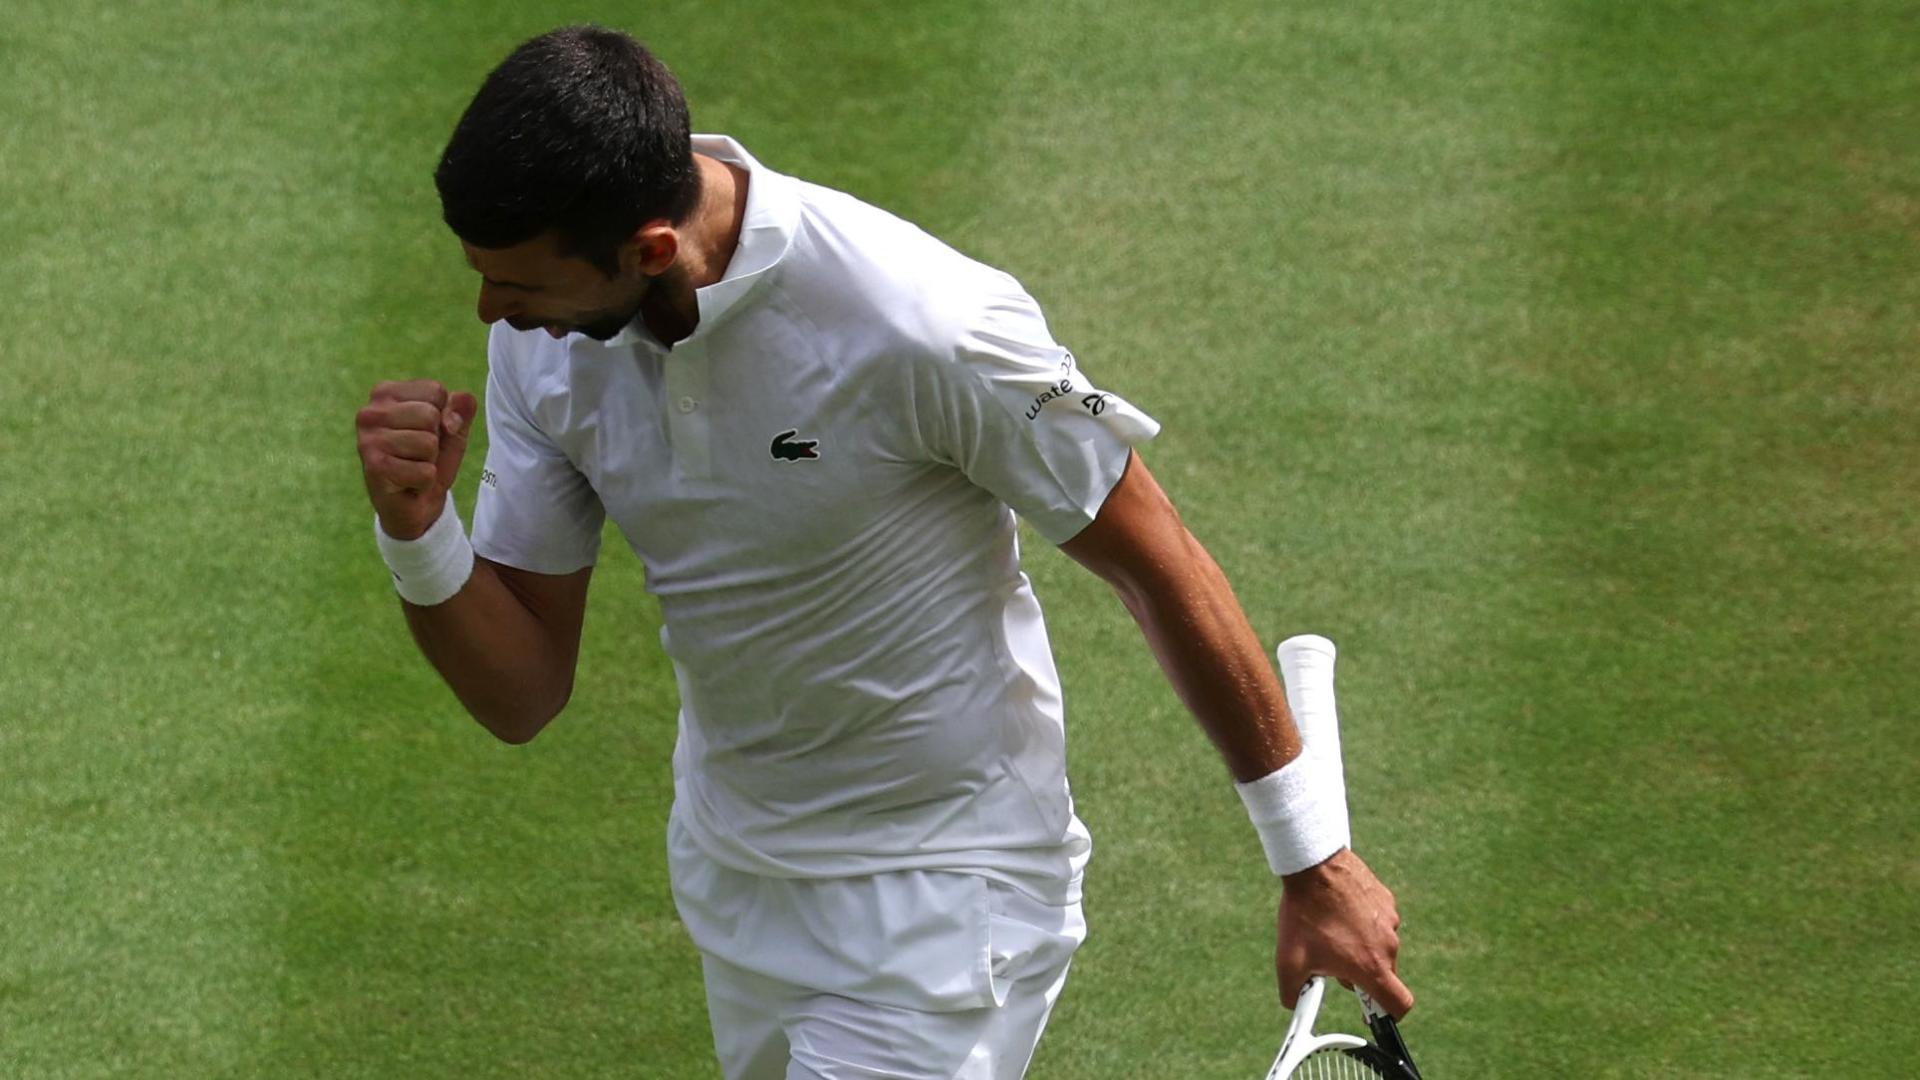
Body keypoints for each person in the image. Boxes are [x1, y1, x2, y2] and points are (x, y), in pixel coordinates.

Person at [354, 24, 1411, 1080]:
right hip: (740, 887)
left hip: (948, 900)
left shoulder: (927, 323)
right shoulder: (541, 349)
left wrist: (1312, 858)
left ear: (650, 250)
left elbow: (1155, 558)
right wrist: (418, 532)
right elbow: (521, 692)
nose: (491, 312)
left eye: (518, 286)